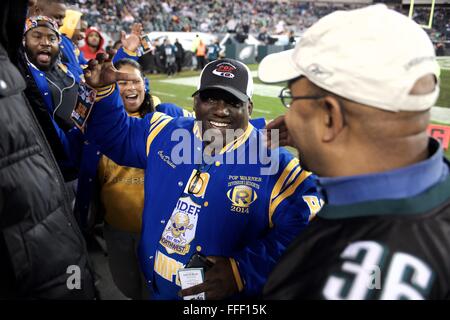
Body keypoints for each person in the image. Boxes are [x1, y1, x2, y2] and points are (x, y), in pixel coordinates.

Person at [82, 58, 321, 299]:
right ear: (195, 102)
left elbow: (310, 228)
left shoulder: (274, 161)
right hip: (156, 287)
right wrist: (104, 91)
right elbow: (117, 137)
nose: (220, 109)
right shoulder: (164, 131)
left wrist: (244, 269)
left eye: (232, 101)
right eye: (210, 98)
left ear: (249, 107)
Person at [258, 4, 450, 300]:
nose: (289, 117)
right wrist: (319, 142)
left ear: (330, 117)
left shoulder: (332, 278)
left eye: (291, 98)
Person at [0, 0, 95, 299]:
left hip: (75, 172)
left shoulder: (67, 74)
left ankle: (82, 277)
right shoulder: (23, 75)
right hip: (43, 178)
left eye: (52, 37)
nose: (45, 42)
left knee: (76, 235)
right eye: (36, 36)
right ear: (22, 40)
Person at [83, 58, 191, 299]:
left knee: (158, 290)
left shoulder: (167, 118)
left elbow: (211, 132)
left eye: (135, 81)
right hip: (117, 228)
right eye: (121, 82)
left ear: (146, 84)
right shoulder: (96, 123)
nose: (130, 87)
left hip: (163, 232)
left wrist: (264, 132)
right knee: (128, 286)